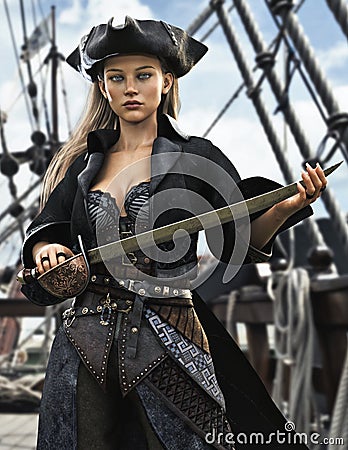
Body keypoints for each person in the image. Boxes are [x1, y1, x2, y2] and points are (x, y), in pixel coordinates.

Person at [20, 16, 326, 450]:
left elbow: (234, 239)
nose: (130, 87)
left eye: (143, 75)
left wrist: (285, 208)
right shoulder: (82, 165)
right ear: (103, 86)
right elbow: (48, 230)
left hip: (169, 334)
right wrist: (48, 249)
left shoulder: (196, 157)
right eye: (116, 77)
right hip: (83, 338)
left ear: (165, 81)